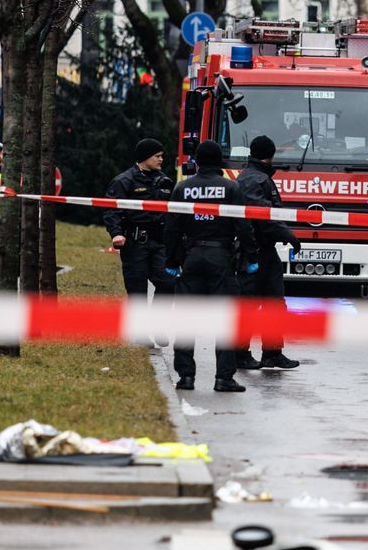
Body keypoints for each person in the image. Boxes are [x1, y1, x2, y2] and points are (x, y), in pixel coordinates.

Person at [164, 141, 259, 393]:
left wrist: (172, 262)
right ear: (220, 162)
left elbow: (172, 228)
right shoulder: (231, 188)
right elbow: (243, 226)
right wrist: (251, 257)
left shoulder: (182, 188)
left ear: (195, 160)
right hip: (221, 257)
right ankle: (223, 378)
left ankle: (186, 377)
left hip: (192, 256)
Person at [234, 135, 301, 371]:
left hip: (264, 251)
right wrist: (289, 236)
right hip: (253, 252)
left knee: (273, 304)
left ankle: (272, 353)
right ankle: (240, 354)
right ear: (270, 154)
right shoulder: (255, 180)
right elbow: (263, 217)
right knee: (250, 305)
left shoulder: (255, 176)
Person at [104, 139, 177, 302]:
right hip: (135, 244)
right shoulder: (124, 181)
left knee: (169, 283)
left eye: (162, 156)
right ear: (145, 157)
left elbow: (173, 210)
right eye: (157, 156)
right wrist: (116, 233)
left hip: (160, 243)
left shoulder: (164, 181)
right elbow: (111, 209)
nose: (161, 159)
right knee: (137, 293)